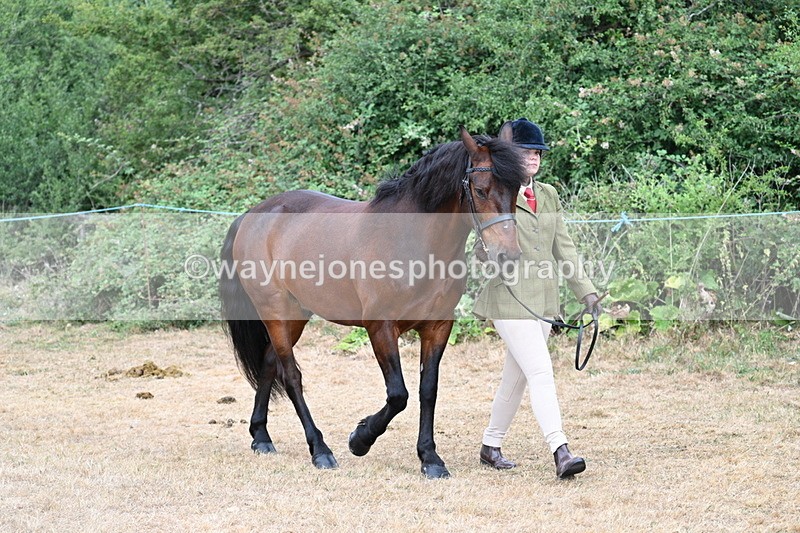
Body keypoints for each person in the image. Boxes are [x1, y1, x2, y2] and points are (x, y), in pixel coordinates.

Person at [473, 118, 603, 478]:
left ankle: (490, 445)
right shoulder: (497, 192)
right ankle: (560, 450)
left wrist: (587, 292)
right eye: (525, 152)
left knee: (515, 380)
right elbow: (482, 247)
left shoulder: (548, 195)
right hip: (509, 299)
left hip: (543, 302)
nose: (532, 158)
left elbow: (565, 249)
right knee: (541, 372)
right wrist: (488, 252)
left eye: (537, 152)